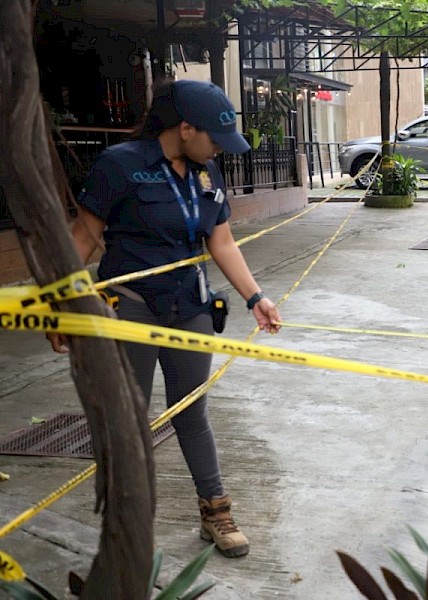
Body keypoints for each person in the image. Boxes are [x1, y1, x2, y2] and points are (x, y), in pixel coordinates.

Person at [48, 79, 281, 558]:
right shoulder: (121, 165)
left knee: (192, 409)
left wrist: (255, 295)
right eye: (214, 139)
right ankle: (128, 522)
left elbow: (221, 241)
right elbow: (85, 236)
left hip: (189, 306)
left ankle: (216, 511)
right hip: (129, 307)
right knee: (128, 417)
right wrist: (60, 304)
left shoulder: (207, 172)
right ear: (185, 127)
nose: (219, 149)